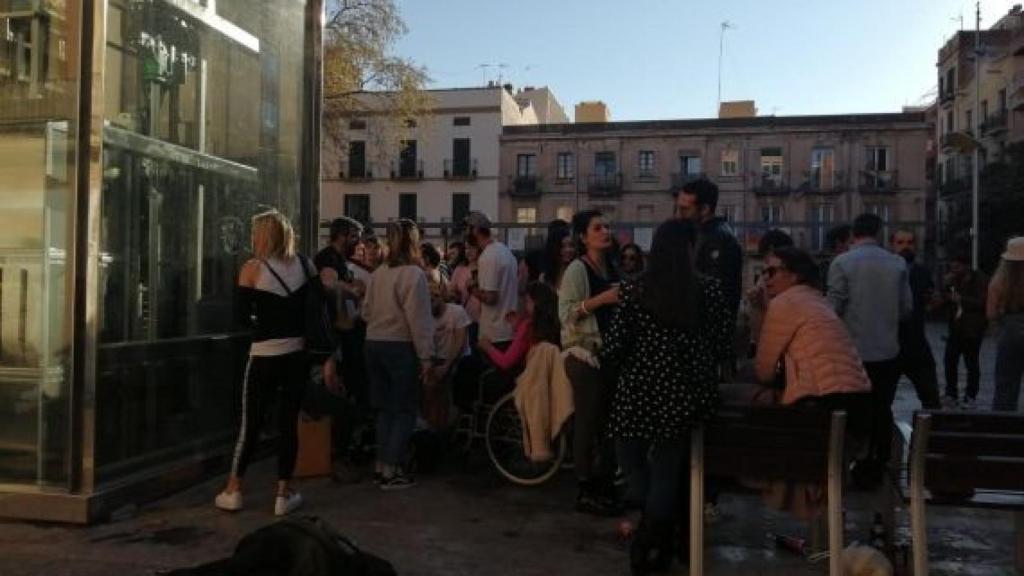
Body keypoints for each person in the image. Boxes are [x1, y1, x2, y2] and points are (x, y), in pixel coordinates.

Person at [601, 219, 731, 574]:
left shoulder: (634, 289)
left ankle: (647, 527)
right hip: (685, 393)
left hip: (638, 389)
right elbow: (722, 346)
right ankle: (651, 541)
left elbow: (614, 347)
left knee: (631, 455)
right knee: (668, 467)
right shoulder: (709, 290)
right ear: (690, 249)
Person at [215, 210, 337, 516]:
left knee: (251, 425)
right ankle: (283, 493)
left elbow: (242, 318)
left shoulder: (252, 269)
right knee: (288, 424)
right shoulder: (305, 264)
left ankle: (234, 489)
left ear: (263, 235)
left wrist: (264, 319)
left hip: (263, 357)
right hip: (296, 356)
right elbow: (321, 301)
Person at [754, 247, 872, 518]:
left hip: (820, 406)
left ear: (794, 276)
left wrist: (759, 310)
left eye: (772, 271)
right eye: (763, 272)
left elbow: (763, 370)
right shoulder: (818, 301)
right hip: (856, 406)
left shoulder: (786, 303)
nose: (766, 279)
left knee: (748, 399)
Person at [827, 213, 912, 485]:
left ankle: (852, 460)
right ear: (879, 232)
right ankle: (877, 461)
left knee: (852, 409)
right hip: (887, 350)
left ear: (854, 233)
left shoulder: (842, 262)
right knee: (882, 407)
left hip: (852, 352)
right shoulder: (897, 263)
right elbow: (906, 309)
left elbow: (833, 307)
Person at [362, 219, 435, 490]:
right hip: (399, 346)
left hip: (373, 343)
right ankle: (392, 471)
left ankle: (381, 466)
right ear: (413, 242)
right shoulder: (413, 275)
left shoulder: (379, 272)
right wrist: (427, 357)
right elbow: (419, 320)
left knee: (384, 410)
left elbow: (366, 311)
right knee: (404, 409)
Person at [558, 210, 621, 516]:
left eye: (607, 226)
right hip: (584, 354)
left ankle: (602, 483)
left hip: (609, 353)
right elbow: (567, 314)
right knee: (588, 420)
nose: (605, 231)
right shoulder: (577, 269)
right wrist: (602, 300)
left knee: (608, 422)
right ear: (584, 237)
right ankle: (584, 487)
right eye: (598, 228)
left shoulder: (612, 267)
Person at [313, 216, 369, 482]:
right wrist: (353, 289)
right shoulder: (328, 258)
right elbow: (327, 284)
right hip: (334, 341)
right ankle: (335, 457)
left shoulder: (340, 261)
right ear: (343, 235)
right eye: (355, 236)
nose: (358, 242)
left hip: (344, 338)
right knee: (339, 397)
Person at [674, 178, 743, 321]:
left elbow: (712, 290)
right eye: (678, 208)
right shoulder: (703, 235)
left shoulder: (716, 240)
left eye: (685, 209)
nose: (679, 215)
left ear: (704, 209)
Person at [890, 229, 941, 409]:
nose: (906, 247)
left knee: (930, 396)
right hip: (890, 342)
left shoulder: (922, 272)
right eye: (901, 242)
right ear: (892, 245)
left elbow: (928, 300)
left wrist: (934, 302)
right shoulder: (886, 270)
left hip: (916, 341)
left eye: (910, 242)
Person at [936, 253, 989, 409]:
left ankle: (970, 395)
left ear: (966, 266)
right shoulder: (953, 280)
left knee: (971, 363)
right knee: (950, 361)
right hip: (956, 328)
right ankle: (951, 393)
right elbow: (945, 299)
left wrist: (962, 300)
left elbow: (982, 302)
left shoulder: (979, 279)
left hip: (972, 329)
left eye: (957, 267)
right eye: (952, 267)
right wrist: (944, 291)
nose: (954, 270)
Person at [479, 281, 561, 372]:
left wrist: (488, 347)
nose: (525, 306)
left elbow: (506, 362)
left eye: (527, 301)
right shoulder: (555, 323)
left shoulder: (528, 327)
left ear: (537, 303)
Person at [465, 211, 518, 348]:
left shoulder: (488, 257)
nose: (465, 233)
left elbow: (491, 298)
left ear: (475, 230)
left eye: (467, 228)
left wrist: (472, 288)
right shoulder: (506, 251)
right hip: (509, 330)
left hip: (494, 336)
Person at [424, 278, 472, 430]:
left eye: (433, 299)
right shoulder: (424, 317)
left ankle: (443, 425)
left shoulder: (456, 312)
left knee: (443, 383)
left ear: (440, 297)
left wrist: (447, 365)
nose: (430, 304)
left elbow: (460, 342)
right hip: (437, 358)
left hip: (458, 357)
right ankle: (433, 425)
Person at [989, 237, 1024, 411]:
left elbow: (991, 313)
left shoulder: (998, 282)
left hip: (1009, 333)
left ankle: (1004, 426)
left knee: (1006, 384)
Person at [541, 219, 575, 289]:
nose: (568, 250)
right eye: (562, 246)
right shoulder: (545, 277)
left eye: (571, 245)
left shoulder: (578, 273)